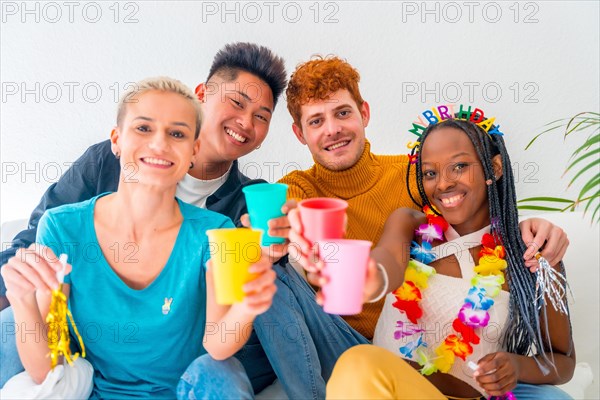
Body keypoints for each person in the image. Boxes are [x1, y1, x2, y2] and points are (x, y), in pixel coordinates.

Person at [191, 56, 570, 399]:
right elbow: (350, 260)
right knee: (273, 271)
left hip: (416, 346)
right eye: (316, 121)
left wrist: (529, 225)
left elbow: (469, 212)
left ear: (364, 113)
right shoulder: (297, 189)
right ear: (299, 134)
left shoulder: (414, 175)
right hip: (338, 338)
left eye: (342, 113)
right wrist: (295, 244)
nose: (333, 130)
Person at [0, 42, 288, 392]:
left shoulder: (233, 219)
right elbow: (32, 247)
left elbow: (223, 339)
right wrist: (18, 291)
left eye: (261, 116)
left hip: (192, 369)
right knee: (11, 324)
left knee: (220, 373)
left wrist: (270, 271)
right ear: (116, 140)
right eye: (237, 103)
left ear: (191, 147)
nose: (159, 145)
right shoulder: (77, 205)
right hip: (84, 363)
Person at [326, 116, 574, 399]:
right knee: (358, 362)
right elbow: (388, 262)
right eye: (430, 173)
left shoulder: (531, 253)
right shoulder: (411, 227)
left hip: (469, 395)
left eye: (459, 166)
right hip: (391, 390)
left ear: (494, 167)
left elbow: (562, 361)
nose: (443, 184)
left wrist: (516, 366)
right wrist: (372, 278)